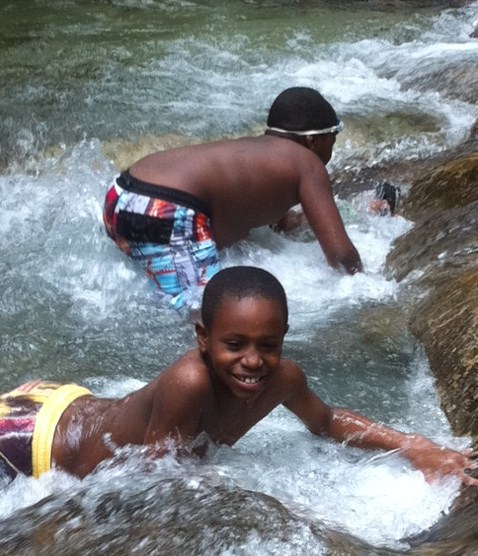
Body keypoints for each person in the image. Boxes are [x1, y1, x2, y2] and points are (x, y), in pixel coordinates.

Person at [1, 266, 477, 485]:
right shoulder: (189, 383)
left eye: (268, 346)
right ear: (203, 338)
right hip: (34, 442)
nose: (253, 361)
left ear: (285, 338)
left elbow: (328, 421)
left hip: (68, 403)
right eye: (235, 345)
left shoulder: (284, 378)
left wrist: (413, 445)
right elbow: (150, 483)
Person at [103, 87, 362, 310]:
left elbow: (280, 223)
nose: (333, 147)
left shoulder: (254, 156)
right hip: (168, 210)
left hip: (120, 195)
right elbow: (340, 255)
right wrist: (367, 283)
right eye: (333, 138)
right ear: (313, 141)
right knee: (211, 315)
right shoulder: (307, 163)